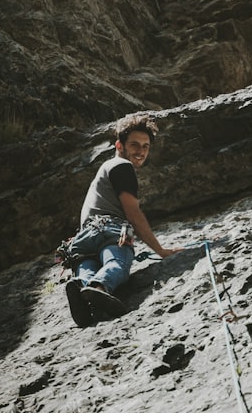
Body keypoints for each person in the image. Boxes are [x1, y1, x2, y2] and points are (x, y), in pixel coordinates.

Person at [65, 114, 182, 327]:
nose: (141, 151)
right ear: (119, 145)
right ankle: (100, 286)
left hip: (82, 239)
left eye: (146, 146)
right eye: (135, 145)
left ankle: (81, 287)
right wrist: (160, 250)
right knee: (116, 263)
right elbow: (133, 213)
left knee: (87, 270)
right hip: (110, 230)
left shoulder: (103, 171)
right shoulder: (122, 166)